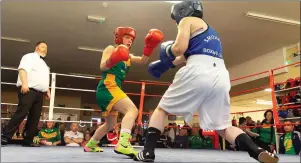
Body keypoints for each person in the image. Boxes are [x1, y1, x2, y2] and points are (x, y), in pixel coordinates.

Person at [134, 1, 279, 163]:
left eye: (175, 19)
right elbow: (184, 56)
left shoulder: (186, 21)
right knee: (223, 127)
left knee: (161, 110)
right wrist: (163, 65)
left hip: (198, 70)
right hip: (220, 75)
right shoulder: (211, 32)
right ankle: (256, 150)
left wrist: (167, 49)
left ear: (181, 12)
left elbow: (179, 49)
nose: (176, 22)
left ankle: (147, 152)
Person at [84, 27, 164, 158]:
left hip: (111, 88)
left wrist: (149, 46)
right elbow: (102, 66)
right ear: (119, 37)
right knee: (132, 110)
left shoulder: (128, 56)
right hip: (108, 86)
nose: (130, 41)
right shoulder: (110, 49)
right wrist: (114, 58)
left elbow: (143, 60)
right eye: (127, 37)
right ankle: (123, 143)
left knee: (110, 124)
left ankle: (91, 144)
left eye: (132, 39)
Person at [1, 41, 51, 147]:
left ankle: (28, 140)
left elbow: (43, 78)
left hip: (40, 93)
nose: (45, 49)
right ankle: (5, 136)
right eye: (42, 47)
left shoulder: (44, 63)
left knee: (35, 117)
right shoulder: (29, 57)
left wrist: (47, 90)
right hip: (29, 90)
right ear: (36, 48)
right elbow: (22, 70)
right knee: (21, 113)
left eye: (46, 48)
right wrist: (24, 84)